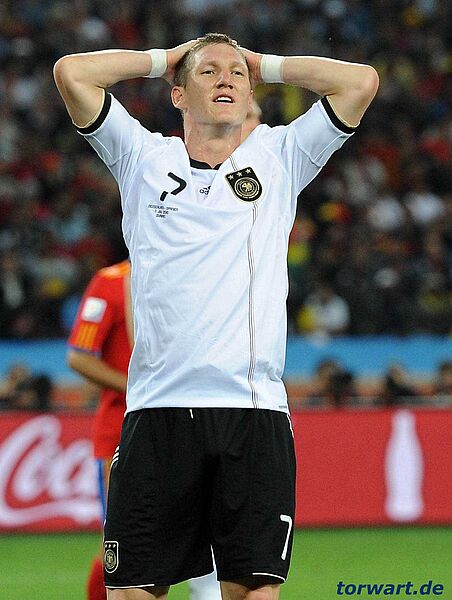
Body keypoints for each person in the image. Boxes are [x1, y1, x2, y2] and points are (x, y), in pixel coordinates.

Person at [54, 32, 378, 600]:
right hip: (158, 410)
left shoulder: (280, 157)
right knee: (131, 592)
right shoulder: (142, 158)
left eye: (236, 73)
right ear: (177, 94)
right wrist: (164, 59)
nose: (225, 78)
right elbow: (72, 73)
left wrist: (265, 65)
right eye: (208, 72)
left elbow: (361, 82)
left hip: (252, 413)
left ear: (250, 91)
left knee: (253, 593)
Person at [67, 259, 221, 600]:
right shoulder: (112, 281)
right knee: (121, 547)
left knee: (201, 537)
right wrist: (138, 388)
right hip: (122, 432)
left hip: (185, 425)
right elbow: (79, 356)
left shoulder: (193, 269)